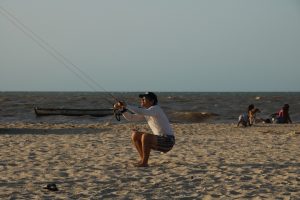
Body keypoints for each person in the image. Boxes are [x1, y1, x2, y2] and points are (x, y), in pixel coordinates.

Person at [114, 92, 175, 167]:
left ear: (152, 101)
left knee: (145, 136)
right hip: (158, 140)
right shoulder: (148, 112)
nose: (141, 101)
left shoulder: (156, 109)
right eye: (141, 99)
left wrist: (126, 105)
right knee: (135, 135)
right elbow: (131, 118)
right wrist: (122, 109)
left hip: (168, 141)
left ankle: (144, 163)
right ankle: (143, 160)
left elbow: (142, 111)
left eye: (144, 99)